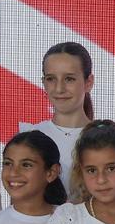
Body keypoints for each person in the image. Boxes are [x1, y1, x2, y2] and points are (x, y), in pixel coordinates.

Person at [24, 41, 95, 192]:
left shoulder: (108, 137)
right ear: (44, 82)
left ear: (88, 82)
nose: (59, 89)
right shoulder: (29, 138)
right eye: (51, 79)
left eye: (69, 79)